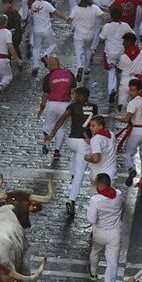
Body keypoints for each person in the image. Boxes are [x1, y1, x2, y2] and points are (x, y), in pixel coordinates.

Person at [49, 87, 99, 215]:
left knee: (75, 154)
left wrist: (53, 133)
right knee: (80, 173)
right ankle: (71, 199)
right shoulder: (94, 107)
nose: (73, 96)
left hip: (72, 140)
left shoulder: (73, 106)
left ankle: (71, 173)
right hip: (84, 141)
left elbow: (62, 119)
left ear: (81, 96)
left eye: (75, 94)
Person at [87, 174, 125, 282]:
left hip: (99, 233)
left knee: (95, 252)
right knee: (112, 264)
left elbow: (91, 219)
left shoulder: (95, 200)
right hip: (115, 233)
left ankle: (93, 273)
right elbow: (122, 207)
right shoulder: (119, 194)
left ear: (100, 185)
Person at [112, 79, 142, 186]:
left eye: (133, 90)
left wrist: (116, 118)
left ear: (139, 90)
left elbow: (126, 119)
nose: (131, 92)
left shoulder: (133, 103)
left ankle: (131, 169)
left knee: (127, 154)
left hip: (137, 131)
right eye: (130, 90)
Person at [39, 56, 75, 157]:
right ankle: (57, 151)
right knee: (61, 127)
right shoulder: (69, 74)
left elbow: (45, 94)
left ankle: (46, 143)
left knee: (48, 125)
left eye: (48, 65)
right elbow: (72, 91)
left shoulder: (48, 77)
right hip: (65, 104)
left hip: (52, 104)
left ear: (51, 65)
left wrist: (41, 108)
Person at [99, 7, 133, 105]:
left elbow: (101, 38)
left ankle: (112, 91)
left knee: (111, 73)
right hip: (122, 53)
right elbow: (132, 35)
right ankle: (125, 92)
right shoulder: (125, 26)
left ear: (111, 16)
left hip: (110, 54)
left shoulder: (107, 27)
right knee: (124, 73)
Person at [27, 0, 67, 74]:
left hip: (36, 30)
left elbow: (31, 15)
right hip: (46, 30)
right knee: (53, 44)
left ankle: (35, 66)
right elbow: (56, 13)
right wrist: (66, 18)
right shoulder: (46, 4)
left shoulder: (34, 4)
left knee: (36, 48)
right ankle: (45, 54)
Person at [69, 0, 104, 80]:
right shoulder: (95, 8)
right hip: (90, 34)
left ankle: (79, 67)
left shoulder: (76, 9)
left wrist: (67, 19)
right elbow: (103, 16)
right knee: (88, 50)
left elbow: (69, 19)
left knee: (78, 51)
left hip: (79, 34)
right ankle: (87, 68)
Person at [85, 115, 118, 195]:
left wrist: (87, 158)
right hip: (111, 174)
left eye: (93, 126)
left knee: (98, 202)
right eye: (90, 125)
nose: (90, 128)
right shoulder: (111, 135)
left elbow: (96, 159)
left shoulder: (96, 139)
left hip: (100, 177)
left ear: (100, 126)